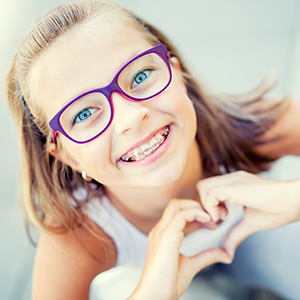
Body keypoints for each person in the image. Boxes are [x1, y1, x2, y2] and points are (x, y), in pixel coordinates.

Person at [6, 1, 300, 299]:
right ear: (67, 154)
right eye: (84, 114)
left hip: (253, 242)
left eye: (141, 76)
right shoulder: (79, 233)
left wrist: (293, 197)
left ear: (176, 73)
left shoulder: (250, 126)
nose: (132, 117)